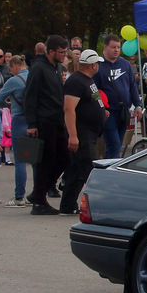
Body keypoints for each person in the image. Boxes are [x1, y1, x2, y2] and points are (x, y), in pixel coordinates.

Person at [23, 35, 70, 215]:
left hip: (57, 120)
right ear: (51, 51)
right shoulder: (38, 68)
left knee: (65, 158)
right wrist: (32, 123)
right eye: (61, 52)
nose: (64, 55)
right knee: (46, 161)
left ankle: (38, 192)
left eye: (65, 51)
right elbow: (30, 96)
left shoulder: (57, 67)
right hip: (44, 121)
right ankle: (39, 201)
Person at [60, 49, 108, 215]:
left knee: (76, 170)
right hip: (82, 133)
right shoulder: (76, 81)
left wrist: (101, 111)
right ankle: (99, 205)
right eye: (98, 64)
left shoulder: (88, 80)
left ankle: (67, 204)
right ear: (93, 65)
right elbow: (68, 108)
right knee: (90, 170)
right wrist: (73, 135)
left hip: (91, 132)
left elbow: (91, 101)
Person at [95, 34, 143, 158]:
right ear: (105, 47)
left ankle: (110, 168)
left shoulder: (125, 64)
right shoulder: (98, 65)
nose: (116, 50)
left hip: (123, 111)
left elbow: (132, 86)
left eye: (118, 47)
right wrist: (100, 108)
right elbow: (94, 90)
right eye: (113, 47)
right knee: (114, 145)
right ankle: (110, 172)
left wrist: (137, 105)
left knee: (119, 145)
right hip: (108, 112)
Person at [0, 55, 31, 206]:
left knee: (20, 161)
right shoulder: (34, 76)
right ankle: (36, 194)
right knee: (34, 160)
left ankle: (19, 196)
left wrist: (9, 105)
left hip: (19, 120)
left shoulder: (13, 81)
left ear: (15, 65)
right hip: (33, 120)